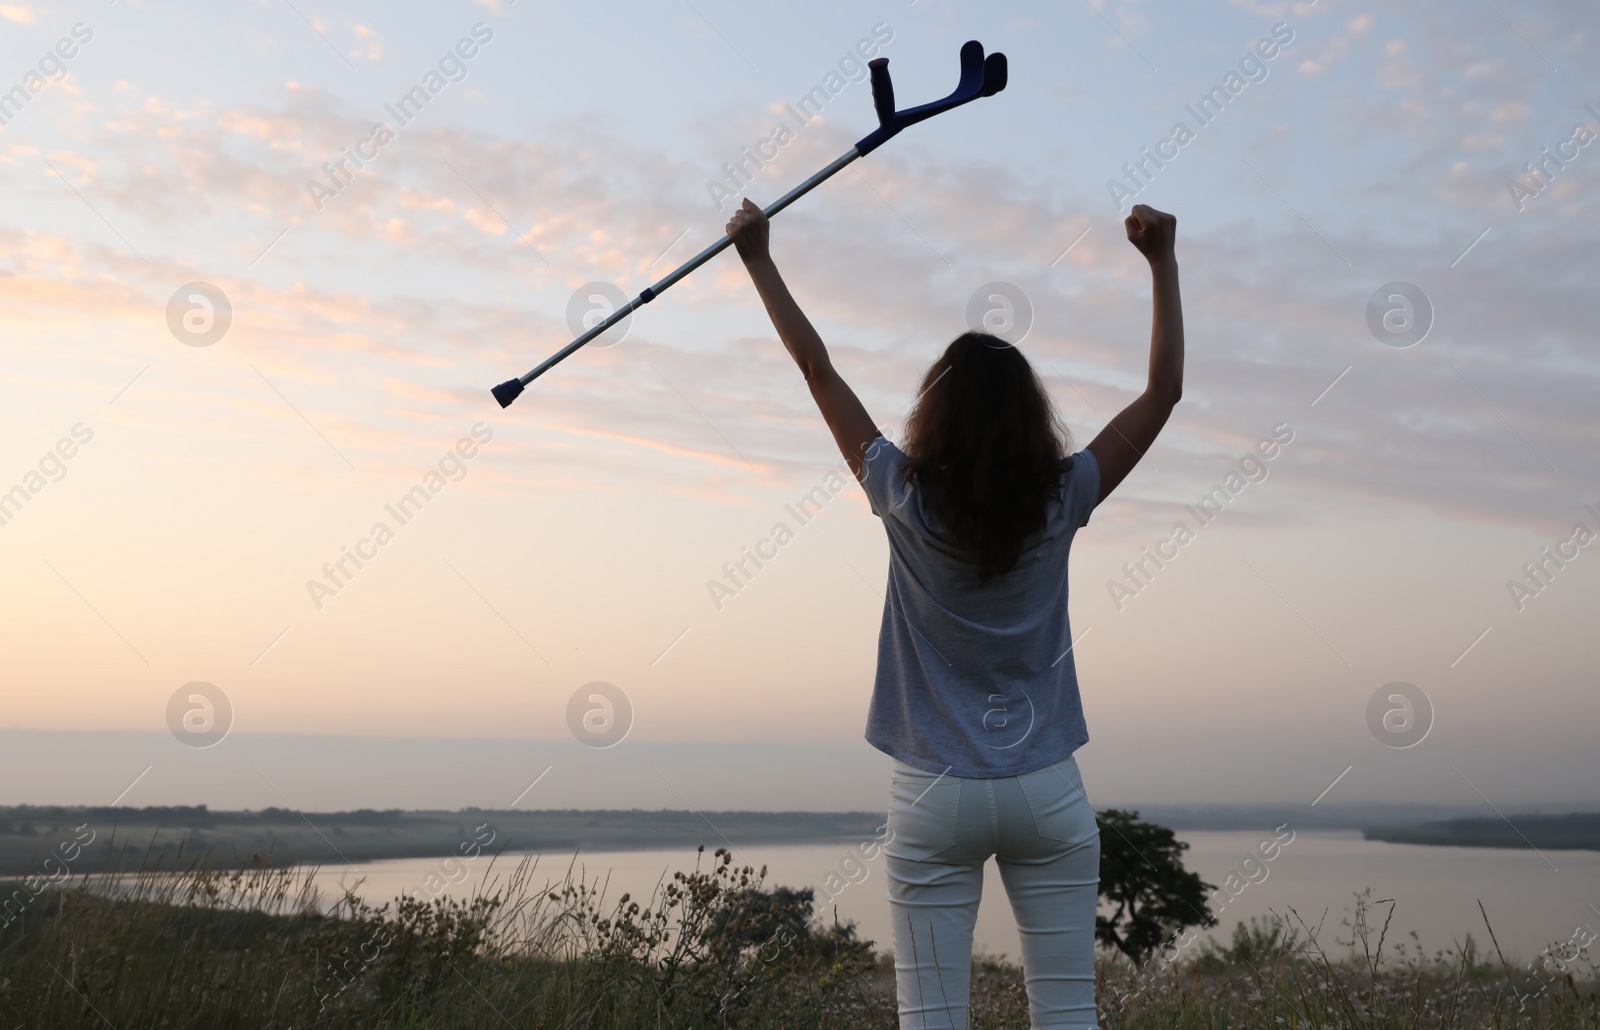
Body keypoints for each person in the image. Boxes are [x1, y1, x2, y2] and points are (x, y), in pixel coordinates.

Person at [726, 197, 1183, 1029]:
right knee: (1067, 1013)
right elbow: (1162, 393)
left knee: (932, 1020)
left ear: (934, 416)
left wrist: (758, 260)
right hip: (1047, 787)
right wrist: (1161, 264)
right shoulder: (1066, 494)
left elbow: (818, 372)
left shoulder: (901, 495)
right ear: (1029, 417)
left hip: (934, 794)